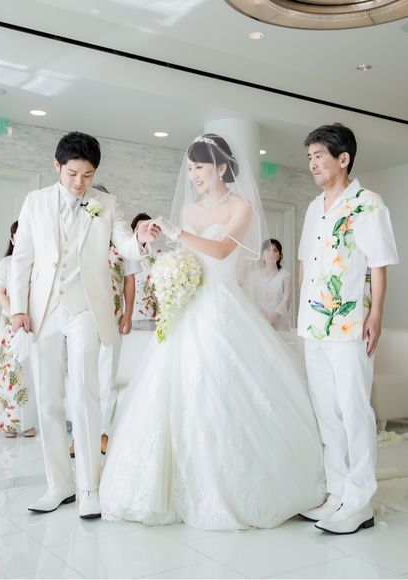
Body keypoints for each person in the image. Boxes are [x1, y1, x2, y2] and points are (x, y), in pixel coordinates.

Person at [99, 133, 325, 530]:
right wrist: (165, 263)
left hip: (222, 307)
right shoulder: (189, 209)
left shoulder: (241, 206)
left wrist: (177, 232)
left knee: (224, 388)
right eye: (189, 168)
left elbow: (220, 251)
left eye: (199, 167)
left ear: (221, 167)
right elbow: (185, 256)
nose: (193, 175)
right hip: (189, 306)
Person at [9, 131, 159, 519]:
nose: (80, 183)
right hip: (43, 309)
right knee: (48, 399)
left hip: (86, 309)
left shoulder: (107, 204)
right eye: (73, 174)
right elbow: (21, 258)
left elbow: (125, 244)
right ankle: (58, 484)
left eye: (88, 175)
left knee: (85, 395)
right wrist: (18, 309)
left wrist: (141, 238)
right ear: (57, 166)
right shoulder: (35, 201)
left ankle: (89, 486)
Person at [297, 123, 399, 534]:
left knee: (354, 410)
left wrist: (376, 316)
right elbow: (306, 263)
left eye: (319, 156)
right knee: (326, 412)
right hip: (314, 325)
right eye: (309, 157)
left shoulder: (367, 203)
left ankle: (360, 502)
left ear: (343, 158)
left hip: (350, 324)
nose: (312, 164)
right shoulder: (313, 207)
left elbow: (379, 264)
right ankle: (337, 493)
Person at [67, 186, 142, 457]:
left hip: (113, 318)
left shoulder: (122, 241)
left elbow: (129, 281)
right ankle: (79, 435)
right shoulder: (76, 238)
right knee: (81, 377)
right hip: (82, 317)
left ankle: (102, 432)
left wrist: (128, 314)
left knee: (106, 377)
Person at [0, 220, 38, 438]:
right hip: (11, 323)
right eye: (18, 235)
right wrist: (16, 314)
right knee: (9, 371)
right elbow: (0, 293)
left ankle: (28, 423)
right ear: (12, 239)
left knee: (30, 372)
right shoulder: (6, 264)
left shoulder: (38, 262)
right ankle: (9, 424)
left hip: (34, 322)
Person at [244, 238, 292, 330]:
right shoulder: (253, 276)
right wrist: (262, 316)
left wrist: (274, 316)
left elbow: (287, 299)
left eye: (275, 250)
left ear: (280, 256)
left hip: (279, 322)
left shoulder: (285, 275)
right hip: (259, 321)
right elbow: (250, 298)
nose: (271, 253)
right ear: (262, 255)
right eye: (268, 250)